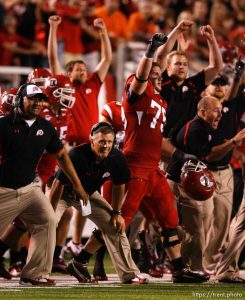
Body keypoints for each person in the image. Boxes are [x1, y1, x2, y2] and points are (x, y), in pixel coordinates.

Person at [120, 32, 207, 283]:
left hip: (153, 167)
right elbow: (140, 77)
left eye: (160, 76)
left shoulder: (160, 100)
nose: (157, 79)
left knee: (169, 217)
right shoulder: (137, 94)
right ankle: (83, 259)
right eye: (154, 76)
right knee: (122, 218)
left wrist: (181, 155)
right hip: (135, 164)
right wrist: (150, 52)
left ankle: (178, 269)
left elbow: (158, 140)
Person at [0, 83, 88, 286]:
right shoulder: (4, 124)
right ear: (18, 100)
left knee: (47, 219)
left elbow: (62, 155)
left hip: (29, 189)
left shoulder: (45, 127)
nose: (38, 103)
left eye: (40, 99)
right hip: (3, 189)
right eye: (32, 98)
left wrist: (77, 184)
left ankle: (34, 273)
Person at [50, 122, 147, 284]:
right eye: (102, 141)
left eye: (109, 142)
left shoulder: (116, 158)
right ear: (91, 141)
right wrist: (51, 213)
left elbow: (119, 185)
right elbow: (57, 185)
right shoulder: (76, 155)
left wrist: (117, 213)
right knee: (47, 224)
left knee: (115, 225)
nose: (106, 146)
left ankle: (128, 274)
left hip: (87, 195)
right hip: (62, 193)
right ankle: (36, 273)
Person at [48, 15, 112, 254]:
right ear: (69, 72)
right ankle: (52, 249)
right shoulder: (62, 86)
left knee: (85, 202)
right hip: (66, 148)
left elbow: (107, 58)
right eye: (78, 68)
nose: (84, 72)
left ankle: (74, 244)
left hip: (89, 149)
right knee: (60, 205)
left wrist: (103, 31)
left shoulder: (93, 84)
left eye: (85, 69)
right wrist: (54, 28)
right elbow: (53, 58)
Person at [166, 96, 245, 273]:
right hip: (182, 183)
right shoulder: (195, 130)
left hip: (191, 181)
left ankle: (187, 259)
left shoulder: (205, 128)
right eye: (215, 110)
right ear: (202, 111)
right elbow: (209, 157)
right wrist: (232, 142)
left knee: (203, 225)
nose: (220, 114)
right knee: (195, 229)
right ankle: (191, 267)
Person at [155, 21, 223, 138]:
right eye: (177, 63)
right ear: (168, 68)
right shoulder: (161, 81)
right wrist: (176, 30)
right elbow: (160, 56)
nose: (182, 66)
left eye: (185, 64)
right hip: (159, 139)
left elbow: (216, 67)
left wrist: (211, 40)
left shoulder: (193, 85)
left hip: (183, 143)